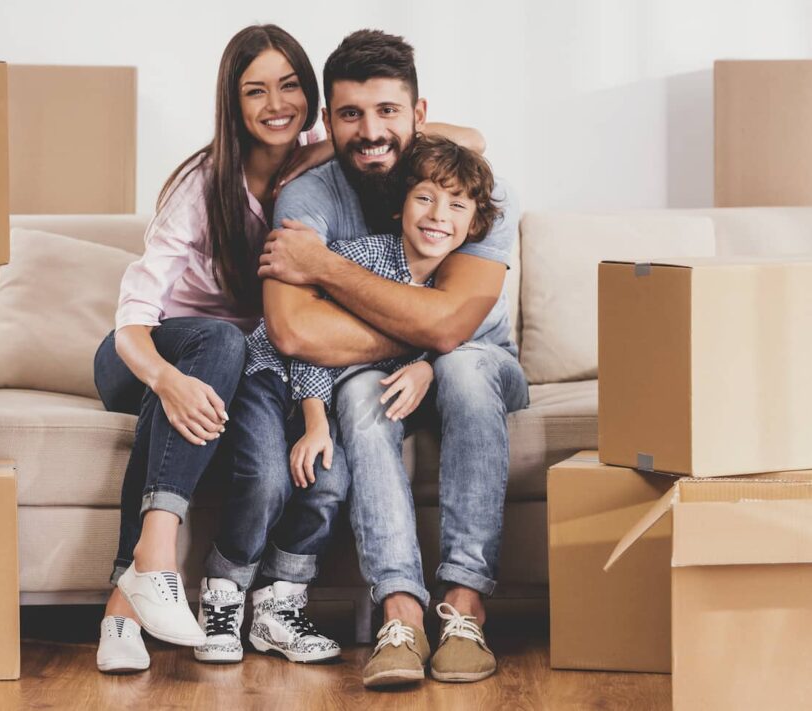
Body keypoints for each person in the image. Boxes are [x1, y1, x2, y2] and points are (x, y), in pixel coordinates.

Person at [92, 23, 481, 674]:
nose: (275, 104)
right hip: (144, 351)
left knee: (216, 376)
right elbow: (132, 318)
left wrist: (333, 146)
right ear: (233, 103)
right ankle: (151, 564)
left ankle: (121, 607)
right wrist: (164, 378)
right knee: (211, 348)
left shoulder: (322, 150)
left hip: (239, 364)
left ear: (311, 98)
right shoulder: (201, 186)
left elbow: (471, 142)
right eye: (255, 91)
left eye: (289, 86)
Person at [258, 30, 530, 688]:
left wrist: (324, 267)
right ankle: (399, 610)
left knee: (462, 367)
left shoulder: (473, 187)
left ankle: (464, 605)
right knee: (358, 395)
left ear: (419, 115)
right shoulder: (307, 199)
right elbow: (293, 331)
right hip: (372, 376)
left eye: (387, 112)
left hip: (478, 359)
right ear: (328, 120)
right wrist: (422, 329)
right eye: (350, 114)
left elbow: (454, 325)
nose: (370, 131)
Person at [195, 134, 498, 665]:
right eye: (424, 198)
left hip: (326, 392)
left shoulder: (442, 292)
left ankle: (277, 606)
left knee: (330, 482)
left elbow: (445, 335)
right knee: (268, 477)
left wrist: (427, 365)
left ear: (473, 224)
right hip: (274, 374)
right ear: (402, 203)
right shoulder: (363, 259)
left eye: (455, 206)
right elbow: (312, 341)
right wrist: (315, 422)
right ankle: (222, 596)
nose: (436, 216)